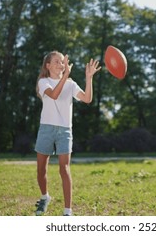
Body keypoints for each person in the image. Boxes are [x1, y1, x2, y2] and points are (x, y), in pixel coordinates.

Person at [34, 51, 100, 216]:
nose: (61, 64)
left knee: (64, 168)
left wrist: (89, 78)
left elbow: (87, 99)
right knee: (41, 169)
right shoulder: (44, 82)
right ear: (47, 66)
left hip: (65, 129)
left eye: (62, 62)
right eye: (56, 61)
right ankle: (45, 197)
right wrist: (66, 76)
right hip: (47, 128)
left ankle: (67, 212)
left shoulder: (70, 84)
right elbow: (54, 95)